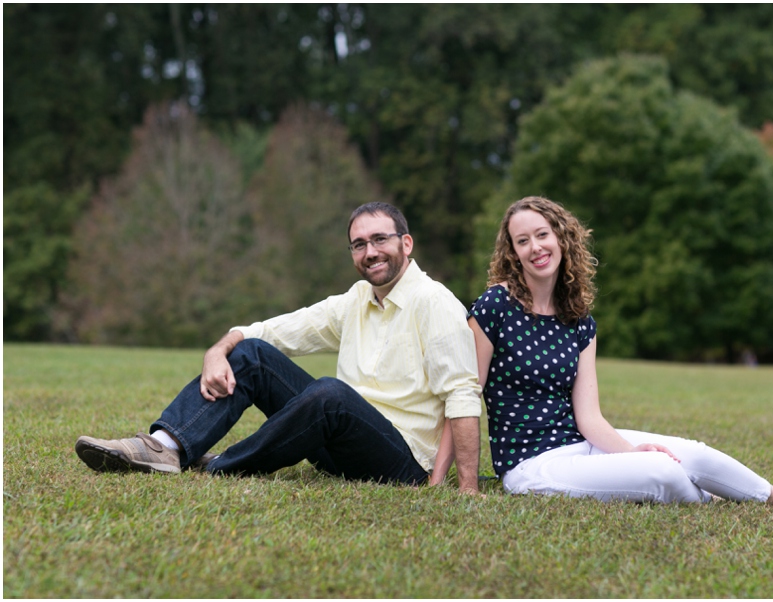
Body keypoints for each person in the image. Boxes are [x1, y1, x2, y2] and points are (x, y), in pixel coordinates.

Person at [433, 196, 773, 511]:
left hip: (580, 445)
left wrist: (626, 451)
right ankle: (714, 498)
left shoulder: (579, 321)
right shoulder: (494, 307)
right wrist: (442, 479)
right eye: (522, 240)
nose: (535, 247)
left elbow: (590, 418)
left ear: (561, 239)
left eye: (542, 234)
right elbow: (465, 396)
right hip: (529, 466)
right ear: (513, 252)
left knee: (693, 452)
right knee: (663, 471)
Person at [75, 202, 483, 494]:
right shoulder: (357, 300)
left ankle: (223, 465)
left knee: (330, 394)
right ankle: (165, 448)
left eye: (380, 239)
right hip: (341, 443)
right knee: (251, 352)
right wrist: (219, 349)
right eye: (358, 244)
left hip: (401, 462)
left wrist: (461, 486)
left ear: (406, 243)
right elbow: (276, 331)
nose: (370, 251)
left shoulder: (435, 302)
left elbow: (462, 396)